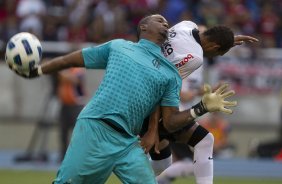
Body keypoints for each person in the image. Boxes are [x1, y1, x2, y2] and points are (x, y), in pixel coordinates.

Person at [10, 14, 237, 184]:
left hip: (128, 142)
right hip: (96, 128)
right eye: (160, 20)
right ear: (143, 26)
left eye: (167, 23)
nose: (166, 24)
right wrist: (39, 71)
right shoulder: (119, 47)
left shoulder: (170, 74)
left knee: (165, 165)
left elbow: (169, 121)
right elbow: (72, 60)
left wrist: (201, 107)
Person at [139, 20, 258, 184]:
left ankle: (134, 175)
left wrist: (228, 40)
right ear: (215, 47)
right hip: (150, 104)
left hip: (143, 90)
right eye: (220, 53)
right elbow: (161, 84)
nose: (217, 56)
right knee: (205, 140)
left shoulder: (187, 25)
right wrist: (152, 129)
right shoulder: (194, 58)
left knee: (163, 163)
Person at [57, 68, 87, 161]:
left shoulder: (79, 70)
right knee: (63, 132)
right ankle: (63, 156)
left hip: (76, 106)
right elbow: (61, 79)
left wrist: (59, 71)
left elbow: (75, 80)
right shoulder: (66, 71)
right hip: (65, 106)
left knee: (77, 133)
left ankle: (78, 156)